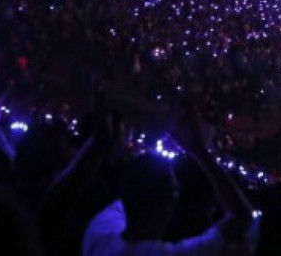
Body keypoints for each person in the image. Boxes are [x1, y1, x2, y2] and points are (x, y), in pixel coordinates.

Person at [81, 104, 253, 256]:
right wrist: (197, 149)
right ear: (171, 201)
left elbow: (136, 190)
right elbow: (241, 216)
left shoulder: (98, 234)